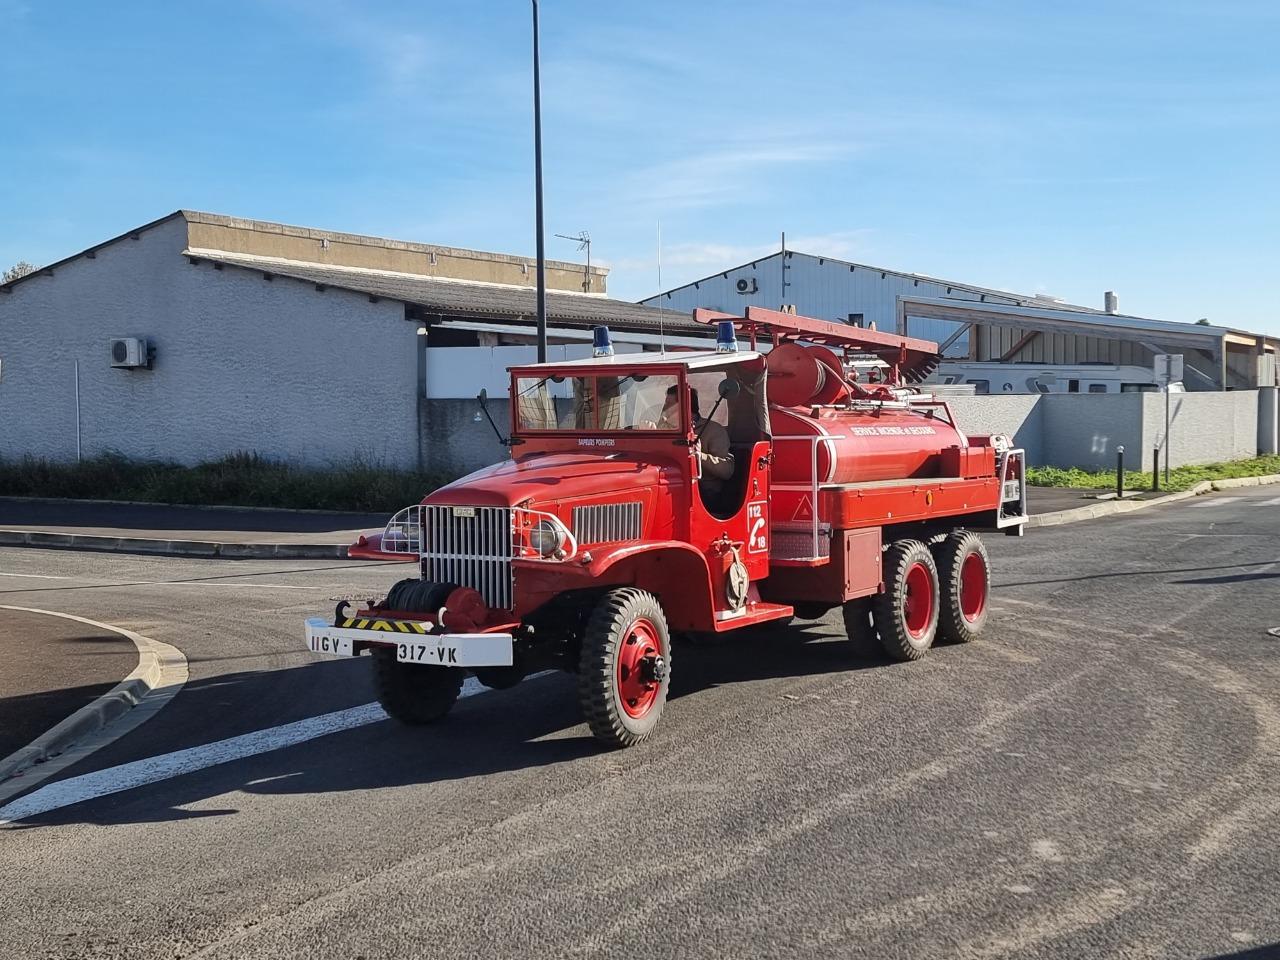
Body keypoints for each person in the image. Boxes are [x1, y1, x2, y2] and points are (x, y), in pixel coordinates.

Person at [655, 385, 734, 497]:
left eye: (669, 404)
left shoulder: (713, 430)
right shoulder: (664, 428)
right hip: (670, 488)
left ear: (684, 407)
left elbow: (727, 470)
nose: (664, 408)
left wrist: (700, 455)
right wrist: (649, 432)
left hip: (705, 493)